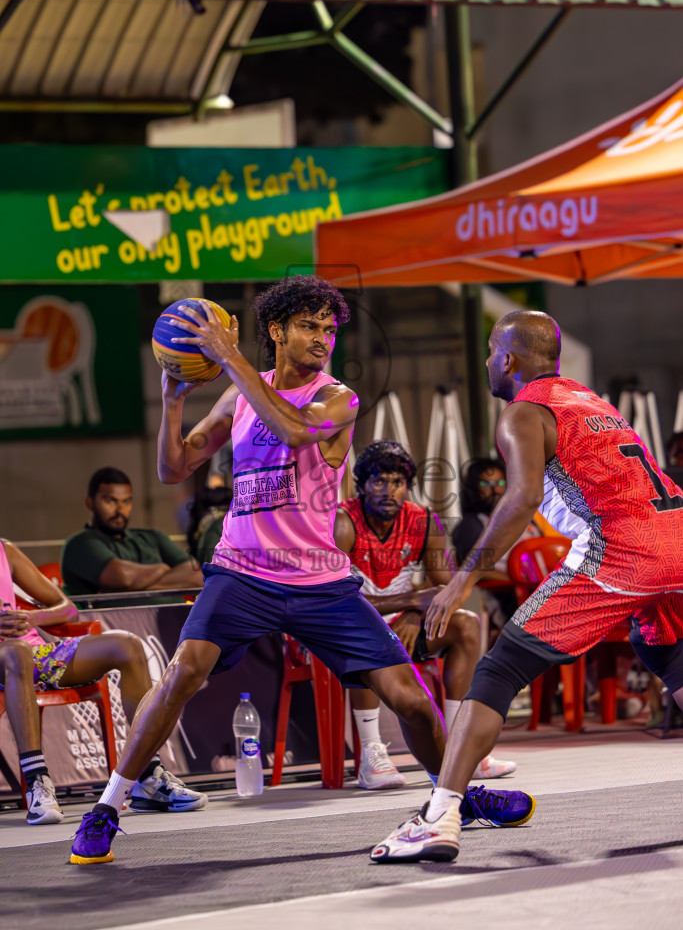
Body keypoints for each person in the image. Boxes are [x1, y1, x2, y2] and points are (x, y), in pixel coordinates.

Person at [69, 275, 524, 864]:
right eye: (310, 326)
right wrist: (174, 397)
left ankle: (460, 798)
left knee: (410, 698)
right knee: (183, 672)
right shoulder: (239, 392)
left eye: (330, 328)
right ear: (277, 331)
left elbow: (290, 427)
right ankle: (106, 809)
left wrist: (228, 358)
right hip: (241, 572)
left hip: (320, 581)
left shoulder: (339, 398)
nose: (323, 338)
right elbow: (174, 467)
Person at [372, 310, 683, 863]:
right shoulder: (590, 401)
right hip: (677, 534)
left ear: (509, 359)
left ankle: (440, 815)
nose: (489, 361)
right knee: (664, 649)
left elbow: (520, 500)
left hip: (624, 549)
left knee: (498, 670)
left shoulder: (522, 412)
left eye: (492, 350)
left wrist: (459, 581)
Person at [336, 440, 516, 789]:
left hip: (401, 621)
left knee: (465, 623)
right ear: (361, 485)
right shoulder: (343, 522)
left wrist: (417, 614)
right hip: (350, 624)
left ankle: (458, 748)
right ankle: (371, 755)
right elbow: (338, 599)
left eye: (397, 482)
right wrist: (412, 601)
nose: (389, 490)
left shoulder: (423, 521)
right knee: (364, 632)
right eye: (379, 481)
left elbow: (446, 591)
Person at [0, 537, 205, 824]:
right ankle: (37, 783)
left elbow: (66, 607)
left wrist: (31, 618)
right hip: (7, 657)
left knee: (129, 645)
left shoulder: (5, 550)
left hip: (37, 653)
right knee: (17, 653)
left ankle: (147, 778)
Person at [61, 467, 204, 605]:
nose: (120, 510)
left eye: (126, 501)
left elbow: (197, 576)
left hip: (177, 623)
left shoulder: (153, 537)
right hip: (115, 627)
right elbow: (122, 578)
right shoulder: (80, 543)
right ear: (90, 503)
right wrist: (161, 568)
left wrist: (128, 589)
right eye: (110, 501)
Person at [452, 458, 542, 635]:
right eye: (487, 483)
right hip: (509, 596)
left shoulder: (523, 518)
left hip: (544, 587)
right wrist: (517, 580)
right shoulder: (472, 525)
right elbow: (471, 569)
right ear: (474, 488)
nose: (495, 489)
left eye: (500, 482)